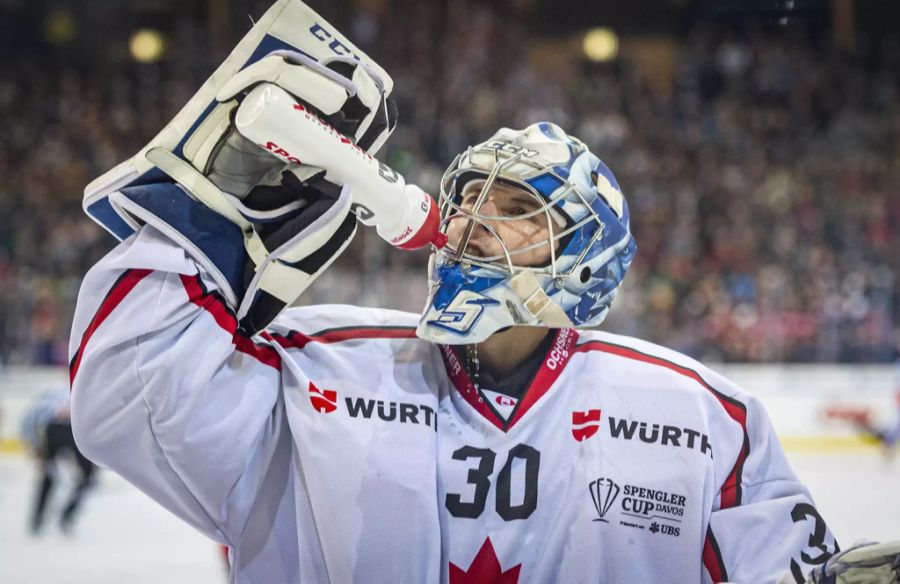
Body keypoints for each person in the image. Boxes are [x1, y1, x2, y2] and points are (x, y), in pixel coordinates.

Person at [70, 111, 851, 582]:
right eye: (468, 199)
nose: (475, 220)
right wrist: (217, 209)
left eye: (516, 208)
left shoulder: (704, 416)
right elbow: (123, 399)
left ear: (586, 258)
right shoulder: (313, 363)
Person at [21, 388, 96, 535]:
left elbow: (29, 418)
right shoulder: (64, 390)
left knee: (55, 476)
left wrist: (34, 444)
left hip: (65, 429)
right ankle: (50, 518)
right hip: (65, 429)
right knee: (52, 476)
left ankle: (55, 517)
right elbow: (31, 417)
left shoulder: (57, 391)